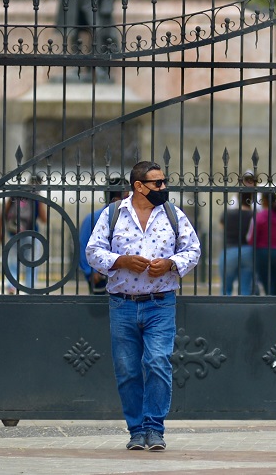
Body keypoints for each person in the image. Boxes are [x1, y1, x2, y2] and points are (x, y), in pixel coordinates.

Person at [86, 161, 201, 452]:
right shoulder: (113, 214)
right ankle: (136, 431)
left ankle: (154, 428)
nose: (164, 187)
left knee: (157, 362)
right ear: (139, 186)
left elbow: (193, 250)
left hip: (160, 303)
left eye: (164, 181)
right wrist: (120, 261)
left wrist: (172, 263)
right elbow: (93, 251)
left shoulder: (173, 214)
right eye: (157, 183)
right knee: (127, 369)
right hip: (122, 304)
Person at [78, 177, 128, 294]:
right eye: (127, 196)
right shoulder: (94, 218)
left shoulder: (129, 218)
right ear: (116, 199)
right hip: (100, 276)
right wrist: (90, 272)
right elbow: (83, 245)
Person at [0, 179, 48, 294]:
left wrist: (0, 232)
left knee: (12, 262)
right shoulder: (36, 197)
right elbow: (44, 219)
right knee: (32, 264)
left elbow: (3, 214)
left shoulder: (16, 194)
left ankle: (11, 287)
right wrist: (40, 200)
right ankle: (30, 288)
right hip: (32, 234)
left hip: (14, 234)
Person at [247, 192, 276, 295]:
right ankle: (275, 299)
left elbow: (252, 238)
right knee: (275, 282)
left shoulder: (260, 217)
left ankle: (271, 299)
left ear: (264, 201)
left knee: (266, 281)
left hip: (262, 252)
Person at [219, 192, 255, 296]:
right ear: (251, 200)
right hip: (247, 250)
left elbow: (222, 227)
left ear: (238, 199)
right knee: (245, 287)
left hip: (229, 249)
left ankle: (225, 305)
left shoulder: (227, 213)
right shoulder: (253, 215)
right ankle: (245, 306)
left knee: (226, 288)